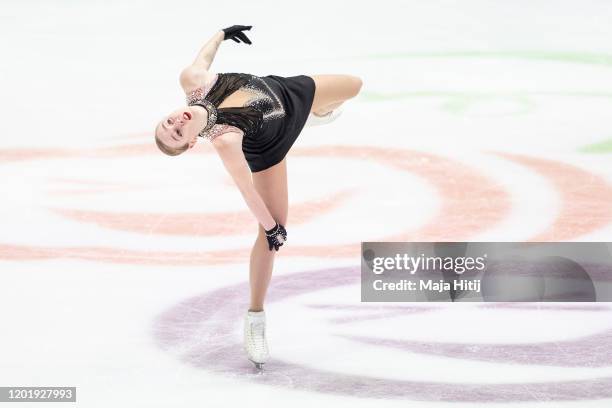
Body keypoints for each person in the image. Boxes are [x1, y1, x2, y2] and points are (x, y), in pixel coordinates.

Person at [154, 25, 362, 369]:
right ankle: (255, 318)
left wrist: (221, 34)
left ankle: (314, 117)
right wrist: (270, 228)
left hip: (285, 91)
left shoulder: (193, 81)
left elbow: (204, 56)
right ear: (191, 142)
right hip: (270, 145)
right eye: (177, 132)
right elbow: (247, 191)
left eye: (168, 122)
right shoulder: (225, 139)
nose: (177, 122)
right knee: (270, 239)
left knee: (354, 86)